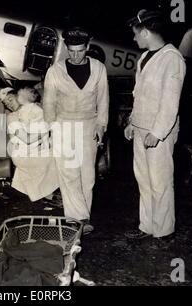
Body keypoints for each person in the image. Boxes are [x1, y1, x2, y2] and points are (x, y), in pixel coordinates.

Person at [124, 9, 186, 240]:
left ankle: (163, 230)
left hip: (158, 131)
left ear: (147, 32)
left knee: (160, 180)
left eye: (136, 34)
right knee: (143, 178)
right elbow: (139, 94)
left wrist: (158, 133)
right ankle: (147, 225)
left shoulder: (171, 58)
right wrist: (132, 121)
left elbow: (170, 102)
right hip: (141, 127)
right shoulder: (144, 57)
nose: (134, 39)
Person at [43, 27, 109, 234]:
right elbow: (49, 104)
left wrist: (101, 126)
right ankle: (77, 219)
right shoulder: (55, 71)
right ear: (66, 49)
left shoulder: (98, 68)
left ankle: (82, 216)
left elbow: (103, 100)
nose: (76, 55)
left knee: (87, 175)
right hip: (63, 125)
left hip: (89, 125)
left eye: (80, 50)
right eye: (71, 51)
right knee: (69, 174)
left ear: (88, 47)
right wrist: (52, 130)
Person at [0, 86, 60, 202]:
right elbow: (26, 139)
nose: (8, 104)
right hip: (24, 155)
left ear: (18, 97)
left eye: (10, 100)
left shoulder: (32, 110)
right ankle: (47, 194)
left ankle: (40, 194)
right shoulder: (12, 117)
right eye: (6, 104)